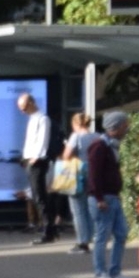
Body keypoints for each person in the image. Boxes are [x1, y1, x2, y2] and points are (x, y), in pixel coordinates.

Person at [86, 110, 130, 278]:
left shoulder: (110, 146)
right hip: (103, 198)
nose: (126, 129)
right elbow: (93, 174)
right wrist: (98, 197)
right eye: (124, 126)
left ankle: (114, 272)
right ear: (115, 127)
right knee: (102, 237)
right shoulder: (100, 147)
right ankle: (100, 274)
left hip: (112, 197)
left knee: (121, 233)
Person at [18, 92, 56, 243]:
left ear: (32, 103)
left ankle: (48, 230)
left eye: (24, 107)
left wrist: (36, 157)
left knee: (40, 196)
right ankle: (47, 228)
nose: (23, 111)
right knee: (36, 195)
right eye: (21, 108)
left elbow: (42, 140)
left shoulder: (42, 118)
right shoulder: (32, 119)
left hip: (37, 162)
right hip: (30, 161)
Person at [58, 112, 97, 252]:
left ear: (75, 124)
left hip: (77, 173)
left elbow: (66, 156)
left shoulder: (76, 137)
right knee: (90, 208)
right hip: (93, 173)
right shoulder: (97, 137)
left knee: (78, 209)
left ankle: (82, 242)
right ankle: (93, 236)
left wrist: (66, 150)